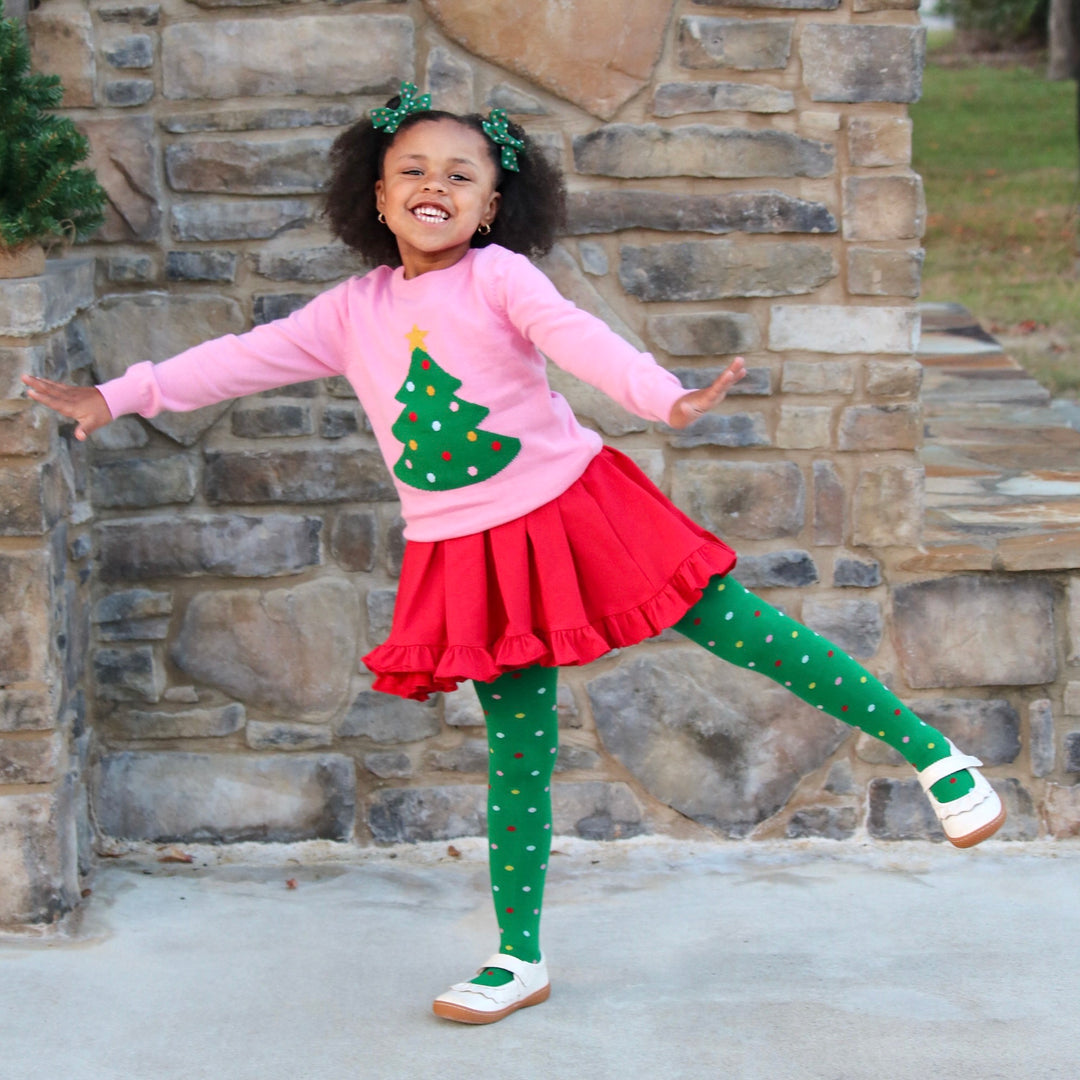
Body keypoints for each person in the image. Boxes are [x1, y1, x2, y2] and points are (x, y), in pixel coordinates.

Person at [23, 83, 1006, 1026]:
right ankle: (518, 955)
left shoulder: (500, 277)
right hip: (466, 551)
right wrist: (120, 394)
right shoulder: (350, 310)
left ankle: (936, 755)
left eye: (461, 172)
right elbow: (237, 358)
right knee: (519, 753)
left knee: (741, 628)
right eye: (414, 168)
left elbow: (577, 339)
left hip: (574, 511)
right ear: (377, 196)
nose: (435, 184)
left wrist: (665, 395)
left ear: (494, 205)